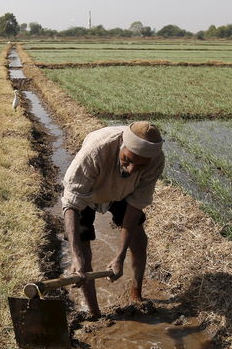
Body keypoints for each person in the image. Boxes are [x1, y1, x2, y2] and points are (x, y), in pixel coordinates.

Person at [62, 121, 165, 317]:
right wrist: (76, 257)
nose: (132, 169)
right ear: (121, 144)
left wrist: (120, 256)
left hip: (123, 192)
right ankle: (95, 313)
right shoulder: (96, 151)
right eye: (128, 160)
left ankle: (136, 294)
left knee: (139, 238)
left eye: (140, 165)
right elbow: (72, 205)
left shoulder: (156, 161)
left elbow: (134, 209)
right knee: (83, 254)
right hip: (89, 191)